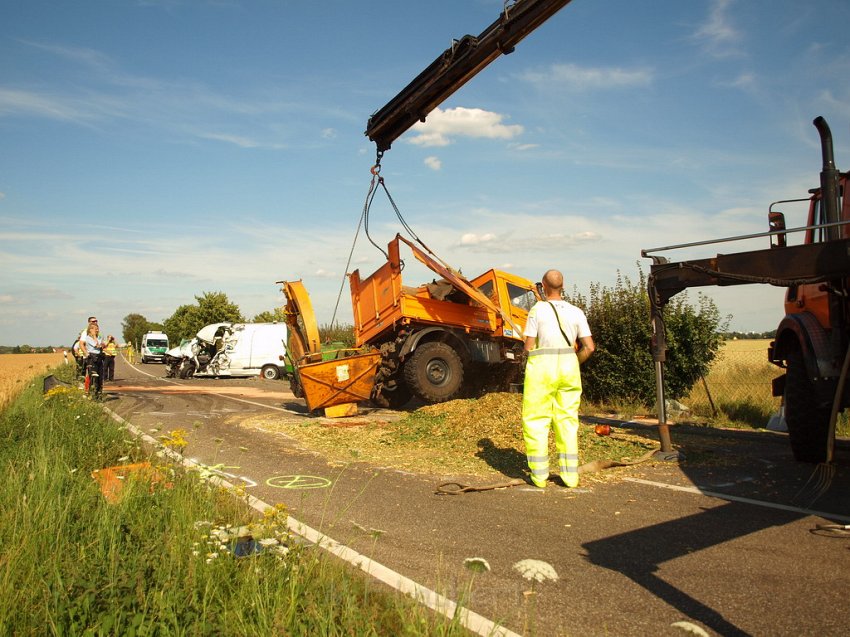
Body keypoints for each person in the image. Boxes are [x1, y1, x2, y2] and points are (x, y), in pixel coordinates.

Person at [521, 269, 595, 488]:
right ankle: (570, 477)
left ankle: (540, 477)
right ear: (563, 286)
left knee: (536, 421)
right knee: (567, 422)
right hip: (569, 370)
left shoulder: (537, 310)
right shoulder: (577, 312)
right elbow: (589, 347)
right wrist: (573, 362)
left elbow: (528, 346)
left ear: (543, 286)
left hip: (541, 372)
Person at [79, 322, 104, 398]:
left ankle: (99, 393)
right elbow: (96, 345)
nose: (97, 330)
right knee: (93, 376)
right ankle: (91, 393)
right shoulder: (88, 338)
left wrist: (96, 338)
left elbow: (100, 345)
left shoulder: (99, 337)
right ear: (90, 330)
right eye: (95, 329)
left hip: (99, 357)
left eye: (97, 329)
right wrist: (93, 336)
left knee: (100, 377)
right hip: (92, 358)